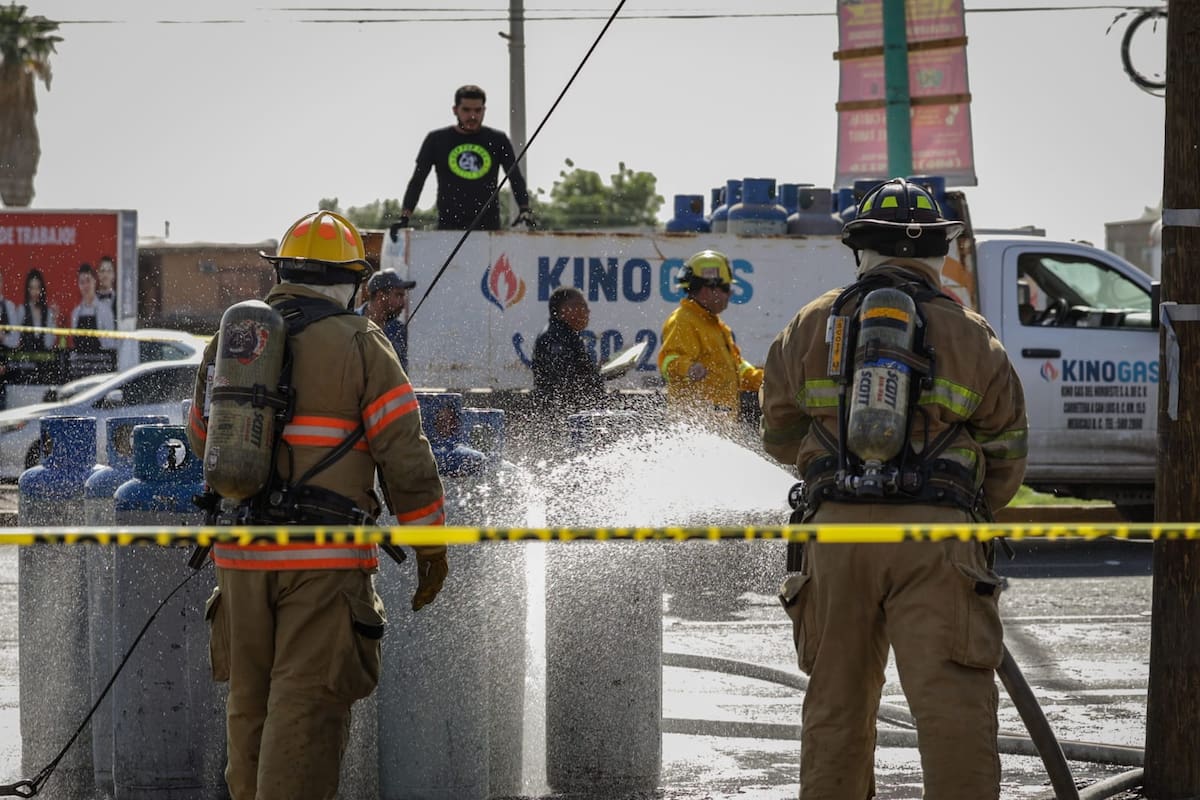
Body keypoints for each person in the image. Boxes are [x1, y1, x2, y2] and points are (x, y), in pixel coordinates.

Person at [758, 178, 1029, 799]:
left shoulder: (809, 326)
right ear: (939, 251)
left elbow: (779, 436)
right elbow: (1008, 453)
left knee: (837, 701)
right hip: (936, 537)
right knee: (953, 705)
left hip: (835, 536)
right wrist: (966, 515)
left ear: (860, 249)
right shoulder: (972, 334)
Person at [185, 210, 448, 800]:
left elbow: (203, 440)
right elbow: (406, 456)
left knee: (250, 710)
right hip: (322, 561)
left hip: (240, 557)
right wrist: (432, 548)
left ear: (283, 272)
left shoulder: (234, 338)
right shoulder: (362, 342)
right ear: (353, 281)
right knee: (303, 713)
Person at [397, 84, 533, 232]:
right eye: (466, 110)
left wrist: (524, 209)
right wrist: (404, 217)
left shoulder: (498, 139)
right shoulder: (436, 139)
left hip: (488, 229)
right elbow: (418, 180)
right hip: (449, 227)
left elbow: (515, 177)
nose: (472, 116)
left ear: (484, 110)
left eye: (478, 110)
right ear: (455, 110)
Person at [657, 249, 763, 425]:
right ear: (707, 289)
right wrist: (689, 369)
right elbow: (669, 361)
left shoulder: (715, 325)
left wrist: (766, 381)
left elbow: (739, 369)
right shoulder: (683, 320)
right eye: (726, 288)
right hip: (694, 424)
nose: (730, 293)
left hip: (721, 423)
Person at [530, 286, 604, 418]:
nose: (588, 311)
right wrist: (598, 376)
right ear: (565, 309)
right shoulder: (554, 337)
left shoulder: (566, 334)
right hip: (560, 416)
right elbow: (565, 381)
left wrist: (602, 372)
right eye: (582, 306)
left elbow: (577, 373)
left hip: (570, 413)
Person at [358, 268, 416, 370]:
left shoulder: (399, 329)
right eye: (398, 295)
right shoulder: (352, 323)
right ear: (381, 296)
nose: (403, 303)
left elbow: (401, 371)